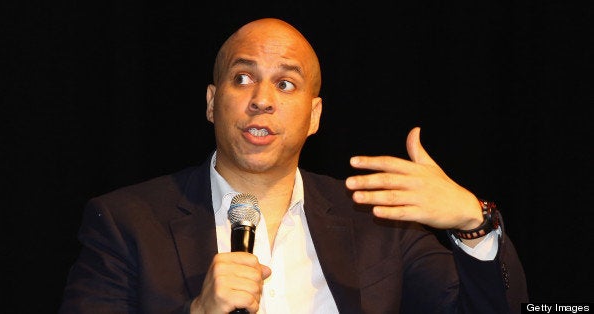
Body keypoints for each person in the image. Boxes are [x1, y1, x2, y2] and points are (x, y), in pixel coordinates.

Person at [59, 17, 528, 313]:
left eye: (286, 85)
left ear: (314, 116)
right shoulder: (127, 221)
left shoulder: (377, 221)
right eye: (243, 78)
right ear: (211, 101)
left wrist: (474, 223)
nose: (261, 100)